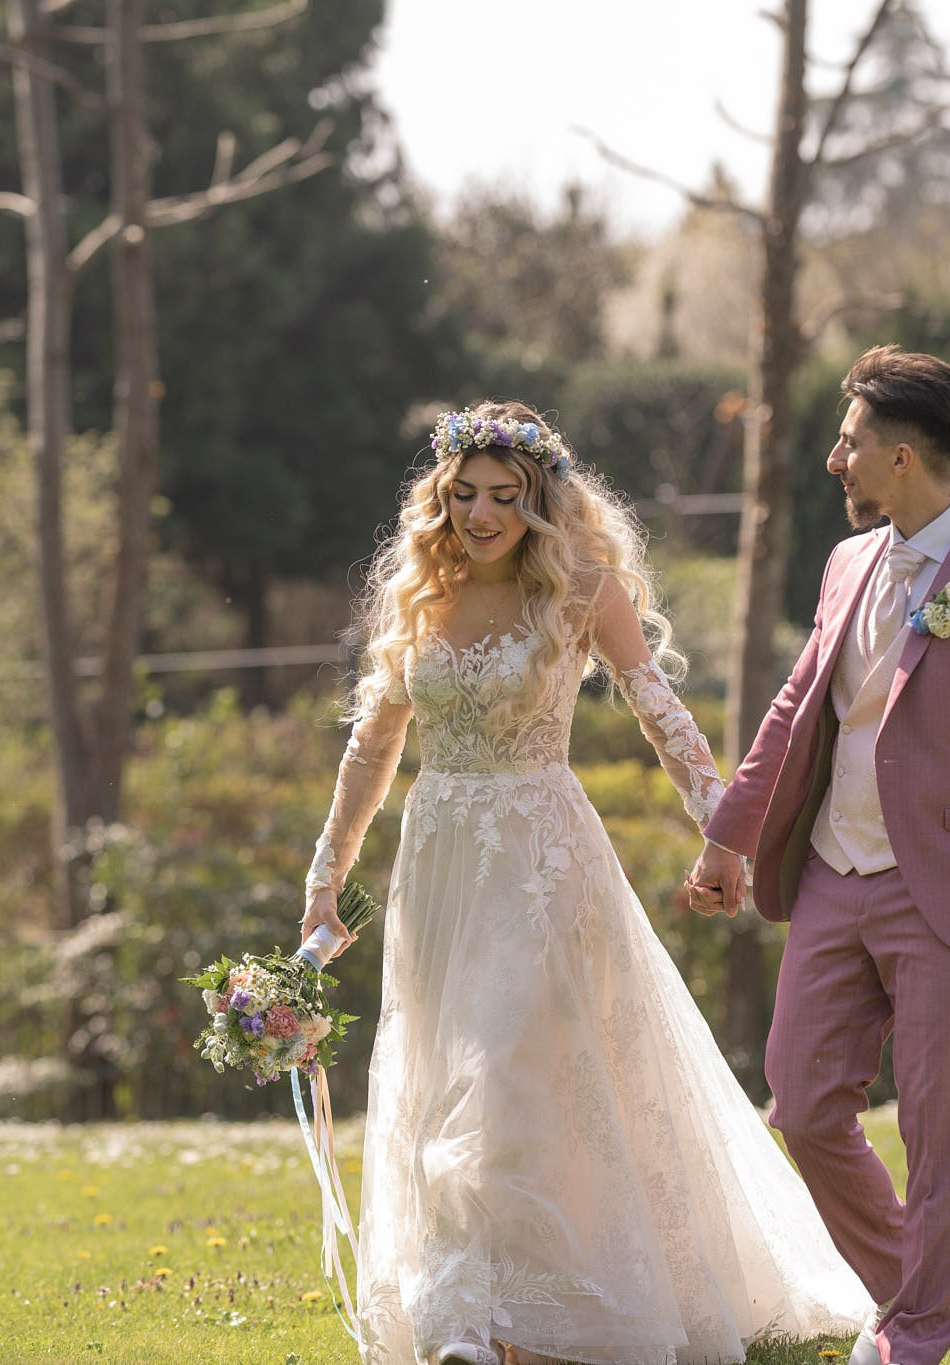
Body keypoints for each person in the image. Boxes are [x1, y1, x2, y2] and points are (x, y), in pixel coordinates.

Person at [300, 400, 869, 1365]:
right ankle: (468, 1306)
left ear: (539, 500)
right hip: (438, 869)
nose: (483, 513)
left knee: (510, 1063)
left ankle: (499, 1316)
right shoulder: (420, 599)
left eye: (506, 496)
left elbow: (660, 710)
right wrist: (325, 883)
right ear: (440, 499)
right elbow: (371, 750)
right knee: (448, 1075)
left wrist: (725, 834)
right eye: (466, 494)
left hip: (539, 858)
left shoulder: (580, 590)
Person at [687, 346, 950, 1365]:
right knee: (803, 1105)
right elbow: (794, 707)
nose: (833, 460)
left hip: (947, 897)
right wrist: (729, 831)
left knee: (937, 1136)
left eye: (849, 442)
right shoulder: (846, 561)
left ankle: (913, 1337)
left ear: (901, 457)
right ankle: (913, 1289)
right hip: (827, 875)